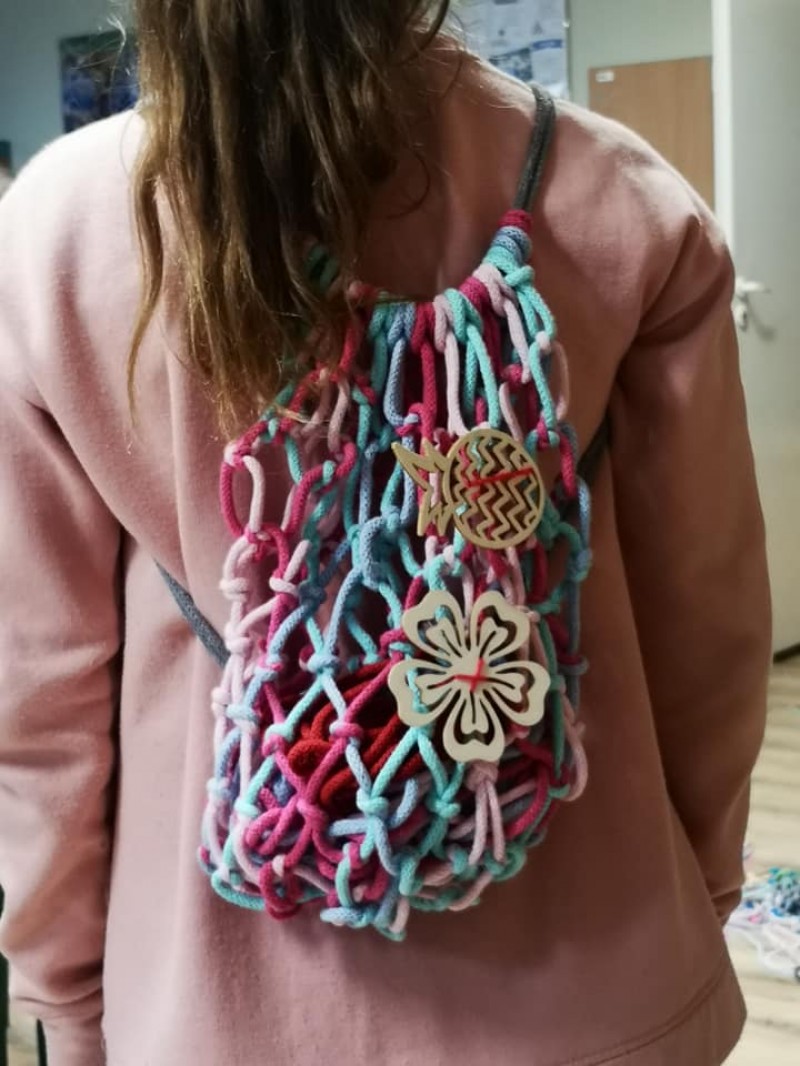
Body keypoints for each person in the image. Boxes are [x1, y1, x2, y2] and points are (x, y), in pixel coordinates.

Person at [0, 3, 771, 1065]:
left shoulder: (53, 232)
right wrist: (700, 884)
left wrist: (67, 999)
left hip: (216, 1015)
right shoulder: (623, 198)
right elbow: (708, 620)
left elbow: (38, 697)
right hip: (608, 985)